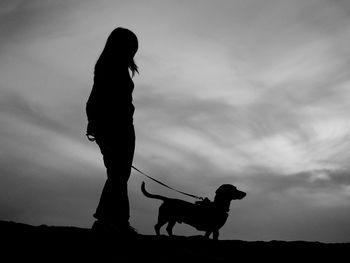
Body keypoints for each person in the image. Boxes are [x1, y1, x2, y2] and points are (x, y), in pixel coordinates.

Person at [86, 27, 139, 236]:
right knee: (118, 174)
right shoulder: (109, 66)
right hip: (114, 127)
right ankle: (111, 221)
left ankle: (113, 221)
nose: (133, 53)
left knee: (119, 174)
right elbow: (97, 97)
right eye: (131, 47)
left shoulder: (114, 66)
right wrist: (95, 123)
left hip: (122, 126)